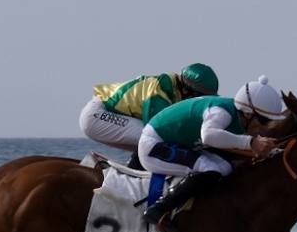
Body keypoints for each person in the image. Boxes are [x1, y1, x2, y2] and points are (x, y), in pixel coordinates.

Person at [138, 75, 289, 225]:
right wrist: (251, 142)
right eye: (264, 120)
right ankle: (157, 210)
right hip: (154, 146)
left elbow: (232, 145)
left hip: (179, 144)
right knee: (210, 168)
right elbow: (209, 136)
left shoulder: (237, 116)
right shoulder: (221, 112)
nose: (264, 127)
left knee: (224, 167)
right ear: (248, 113)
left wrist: (271, 152)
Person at [78, 64, 221, 161]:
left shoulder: (174, 90)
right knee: (155, 139)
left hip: (106, 113)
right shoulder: (159, 92)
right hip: (98, 116)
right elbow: (159, 130)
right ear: (187, 90)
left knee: (153, 144)